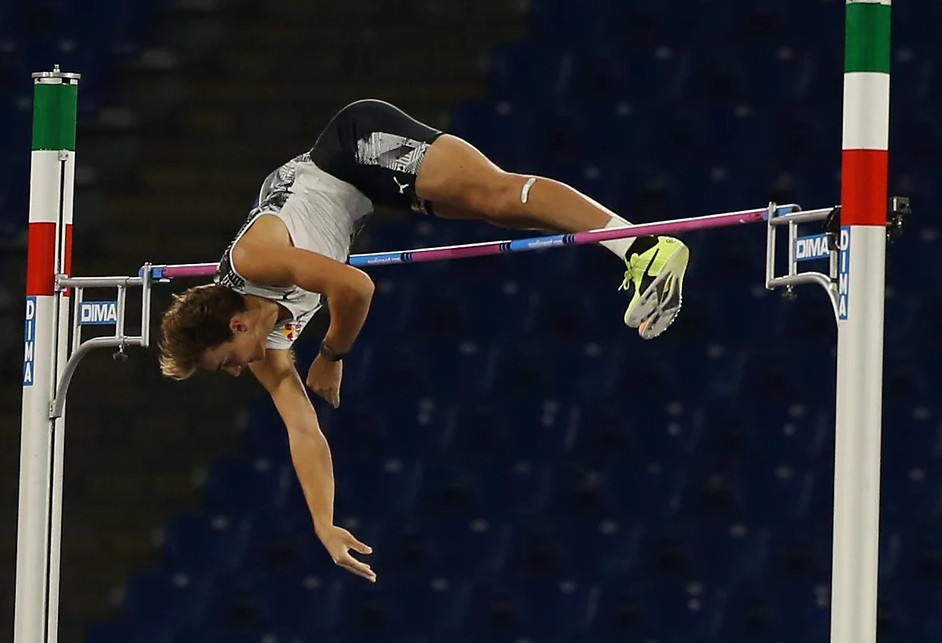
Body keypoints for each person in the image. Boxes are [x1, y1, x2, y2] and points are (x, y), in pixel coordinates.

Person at [155, 99, 689, 581]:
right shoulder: (265, 347)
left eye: (223, 362)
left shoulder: (255, 261)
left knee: (499, 194)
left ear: (236, 325)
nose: (232, 372)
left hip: (352, 148)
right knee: (497, 207)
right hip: (365, 190)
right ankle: (638, 250)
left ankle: (643, 247)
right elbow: (303, 432)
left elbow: (355, 286)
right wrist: (325, 524)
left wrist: (332, 355)